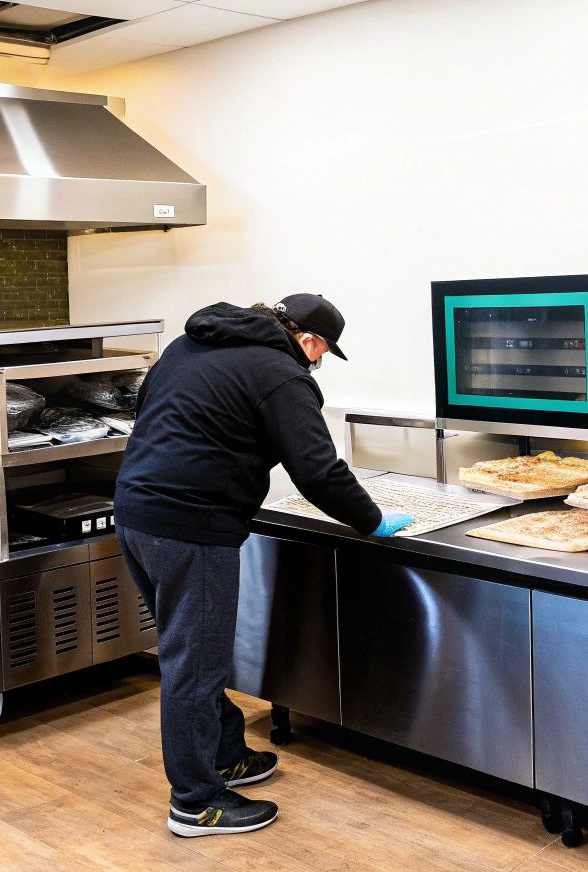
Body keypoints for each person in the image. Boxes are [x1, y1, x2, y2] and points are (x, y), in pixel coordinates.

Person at [114, 294, 416, 838]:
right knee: (194, 666)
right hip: (191, 528)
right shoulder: (282, 373)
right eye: (322, 351)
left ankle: (225, 755)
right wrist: (369, 519)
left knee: (192, 653)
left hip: (136, 513)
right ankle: (195, 803)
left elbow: (153, 414)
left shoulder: (191, 345)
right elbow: (318, 469)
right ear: (309, 341)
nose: (317, 361)